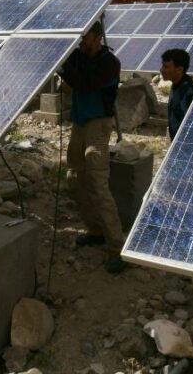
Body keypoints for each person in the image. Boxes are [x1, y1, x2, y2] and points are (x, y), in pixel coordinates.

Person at [59, 20, 127, 274]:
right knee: (74, 178)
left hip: (98, 125)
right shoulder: (79, 55)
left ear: (97, 37)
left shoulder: (110, 63)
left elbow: (84, 84)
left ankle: (116, 247)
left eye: (85, 36)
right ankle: (95, 229)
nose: (81, 40)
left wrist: (63, 66)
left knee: (98, 182)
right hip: (79, 123)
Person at [160, 48, 193, 141]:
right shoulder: (176, 86)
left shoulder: (191, 92)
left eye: (166, 67)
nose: (161, 70)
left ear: (179, 69)